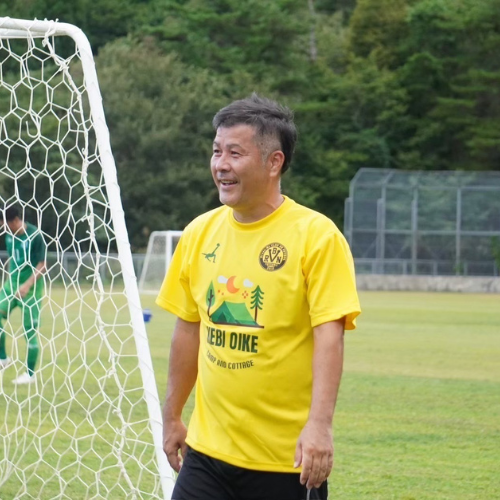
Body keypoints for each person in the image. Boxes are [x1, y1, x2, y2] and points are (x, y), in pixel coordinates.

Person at [156, 94, 361, 500]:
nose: (221, 164)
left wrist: (320, 426)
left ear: (274, 162)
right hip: (206, 455)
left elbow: (329, 337)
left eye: (235, 153)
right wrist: (173, 414)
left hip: (286, 461)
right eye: (217, 151)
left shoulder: (317, 237)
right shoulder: (198, 233)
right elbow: (188, 330)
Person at [0, 205, 46, 385]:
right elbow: (14, 260)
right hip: (11, 286)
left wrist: (26, 285)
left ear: (14, 221)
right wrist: (8, 282)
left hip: (31, 290)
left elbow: (42, 265)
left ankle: (30, 374)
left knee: (29, 332)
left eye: (3, 223)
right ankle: (3, 358)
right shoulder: (8, 235)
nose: (2, 227)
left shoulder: (35, 235)